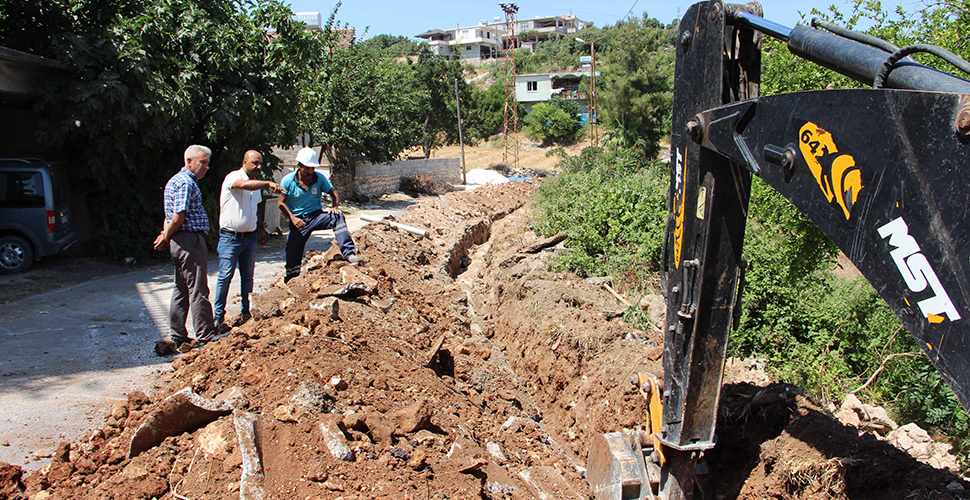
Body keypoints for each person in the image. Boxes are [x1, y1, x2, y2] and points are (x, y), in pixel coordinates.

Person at [153, 145, 218, 355]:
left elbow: (169, 216)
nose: (207, 167)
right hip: (189, 240)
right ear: (189, 161)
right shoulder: (185, 182)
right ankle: (206, 337)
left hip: (181, 240)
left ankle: (178, 335)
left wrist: (166, 235)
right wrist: (166, 235)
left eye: (207, 162)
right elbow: (177, 216)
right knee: (198, 289)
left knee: (180, 288)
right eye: (203, 162)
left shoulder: (175, 181)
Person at [212, 150, 282, 331]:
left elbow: (255, 209)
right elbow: (244, 185)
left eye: (260, 164)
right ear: (244, 162)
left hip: (250, 238)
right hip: (231, 237)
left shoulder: (256, 187)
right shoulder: (233, 177)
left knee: (247, 277)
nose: (258, 167)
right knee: (225, 277)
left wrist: (261, 230)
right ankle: (218, 317)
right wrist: (267, 183)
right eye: (254, 164)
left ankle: (246, 312)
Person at [279, 147, 361, 283]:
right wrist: (292, 218)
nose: (310, 171)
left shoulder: (319, 178)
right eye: (307, 168)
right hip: (298, 220)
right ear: (299, 166)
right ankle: (291, 278)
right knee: (293, 249)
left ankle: (349, 253)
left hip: (316, 216)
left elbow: (333, 192)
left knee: (338, 217)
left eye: (313, 168)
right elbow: (281, 203)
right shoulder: (288, 181)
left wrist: (334, 207)